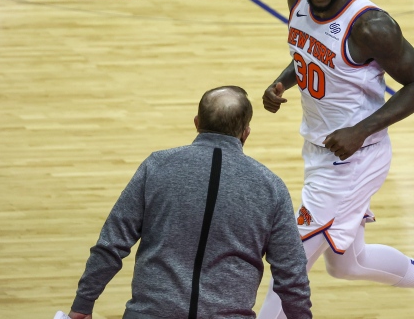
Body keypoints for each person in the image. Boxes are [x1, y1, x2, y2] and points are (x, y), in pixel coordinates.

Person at [258, 0, 414, 319]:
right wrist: (281, 83)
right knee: (348, 264)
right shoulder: (298, 0)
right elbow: (308, 53)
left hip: (354, 160)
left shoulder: (371, 27)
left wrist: (360, 131)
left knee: (290, 264)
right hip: (320, 149)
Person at [67, 86, 312, 319]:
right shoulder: (270, 187)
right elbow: (291, 273)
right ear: (246, 132)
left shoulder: (156, 167)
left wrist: (83, 303)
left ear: (196, 123)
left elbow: (111, 243)